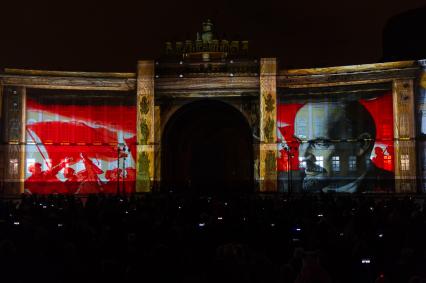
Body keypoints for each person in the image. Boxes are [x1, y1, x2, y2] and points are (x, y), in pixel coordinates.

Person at [293, 100, 394, 193]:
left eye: (320, 143)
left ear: (361, 144)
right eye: (300, 142)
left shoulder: (392, 185)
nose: (303, 156)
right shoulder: (292, 185)